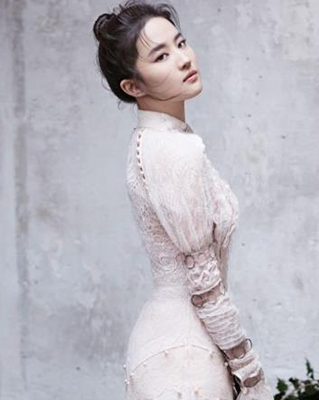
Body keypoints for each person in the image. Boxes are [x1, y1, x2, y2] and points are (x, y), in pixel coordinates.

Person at [93, 1, 274, 399]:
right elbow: (204, 284)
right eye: (161, 56)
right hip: (185, 359)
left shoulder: (154, 141)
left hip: (176, 346)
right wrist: (249, 372)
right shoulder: (174, 151)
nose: (183, 59)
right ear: (133, 86)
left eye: (181, 43)